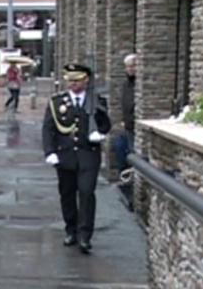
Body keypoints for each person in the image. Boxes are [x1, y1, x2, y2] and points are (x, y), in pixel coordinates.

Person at [42, 63, 111, 254]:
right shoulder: (57, 102)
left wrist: (101, 133)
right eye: (70, 80)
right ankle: (70, 229)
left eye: (77, 80)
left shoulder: (96, 100)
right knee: (67, 194)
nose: (73, 84)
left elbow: (106, 124)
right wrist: (50, 151)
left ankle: (85, 235)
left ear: (86, 80)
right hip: (65, 155)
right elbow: (48, 128)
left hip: (88, 154)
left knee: (87, 193)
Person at [113, 54, 137, 208]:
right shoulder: (126, 85)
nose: (130, 69)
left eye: (133, 66)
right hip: (127, 126)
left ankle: (132, 185)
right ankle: (125, 179)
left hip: (135, 128)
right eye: (128, 66)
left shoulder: (139, 85)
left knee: (132, 153)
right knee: (120, 146)